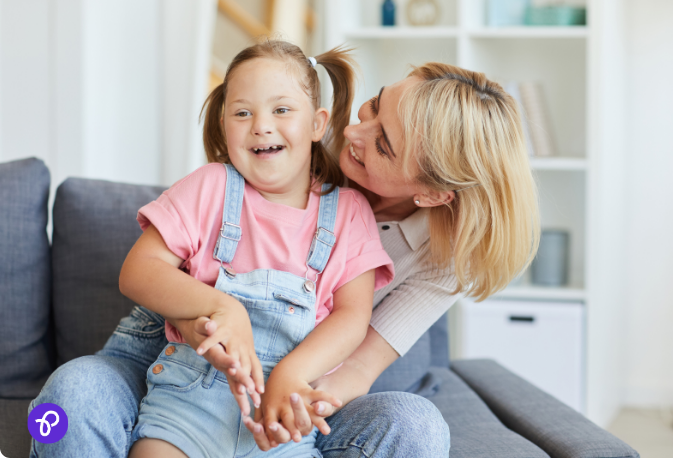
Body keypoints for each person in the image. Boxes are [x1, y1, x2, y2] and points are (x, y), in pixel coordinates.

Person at [29, 54, 540, 457]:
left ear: (432, 193)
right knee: (65, 398)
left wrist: (290, 399)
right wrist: (205, 316)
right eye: (374, 105)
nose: (354, 133)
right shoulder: (277, 149)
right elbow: (161, 264)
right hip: (176, 346)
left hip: (300, 373)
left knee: (419, 426)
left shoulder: (414, 246)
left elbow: (355, 356)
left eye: (382, 143)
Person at [120, 40, 394, 458]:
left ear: (318, 124)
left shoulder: (349, 212)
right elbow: (139, 271)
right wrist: (225, 308)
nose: (261, 126)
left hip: (281, 418)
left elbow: (353, 315)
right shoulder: (209, 186)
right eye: (242, 112)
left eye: (281, 110)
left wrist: (292, 372)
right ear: (224, 123)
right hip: (186, 407)